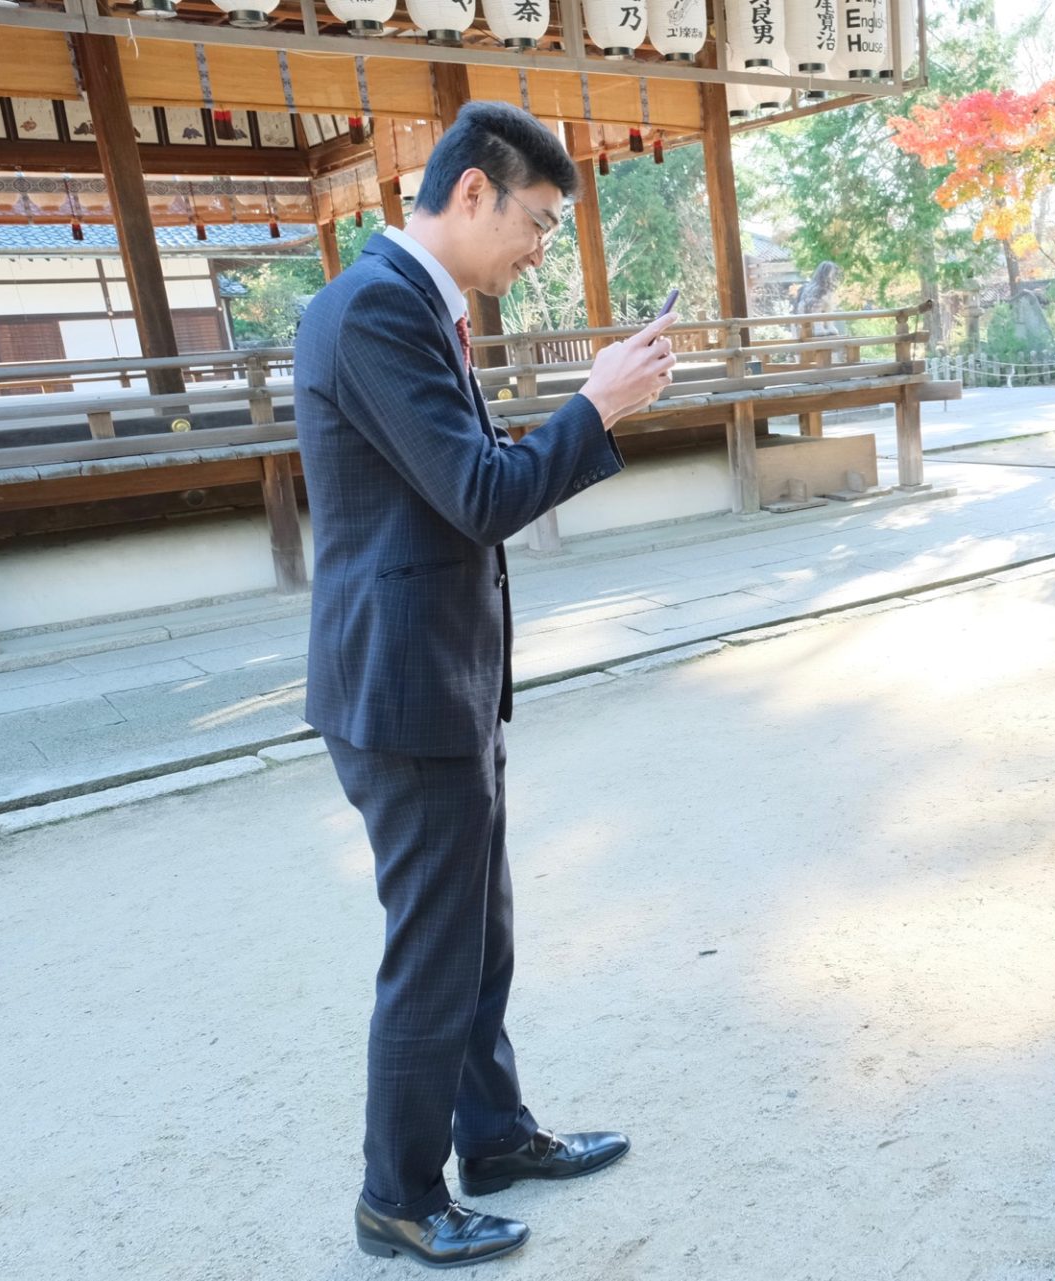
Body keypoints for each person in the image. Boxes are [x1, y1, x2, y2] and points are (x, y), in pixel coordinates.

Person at [295, 101, 678, 1269]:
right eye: (538, 222)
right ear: (472, 193)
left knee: (477, 934)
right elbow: (480, 493)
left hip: (442, 676)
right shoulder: (370, 310)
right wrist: (597, 406)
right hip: (403, 688)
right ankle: (397, 1198)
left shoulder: (412, 304)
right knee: (436, 948)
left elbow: (462, 483)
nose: (539, 248)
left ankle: (494, 1136)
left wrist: (587, 410)